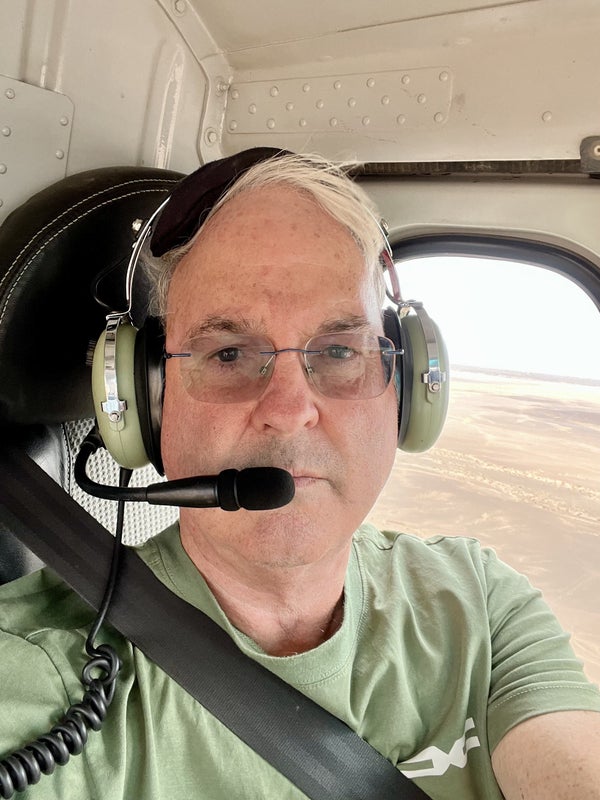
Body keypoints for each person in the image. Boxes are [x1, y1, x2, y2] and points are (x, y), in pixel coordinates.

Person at [0, 148, 599, 800]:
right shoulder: (35, 673)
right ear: (148, 402)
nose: (289, 411)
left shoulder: (478, 604)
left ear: (405, 391)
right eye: (229, 353)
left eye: (340, 350)